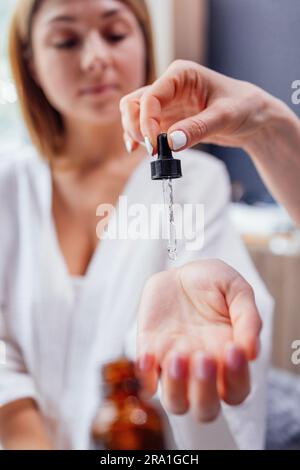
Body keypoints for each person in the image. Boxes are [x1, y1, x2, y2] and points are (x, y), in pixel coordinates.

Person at [0, 0, 272, 450]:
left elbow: (206, 348)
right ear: (31, 63)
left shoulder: (194, 181)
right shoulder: (9, 186)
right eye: (66, 40)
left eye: (115, 34)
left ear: (145, 41)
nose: (96, 59)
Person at [120, 59, 300, 226]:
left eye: (115, 36)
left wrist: (265, 128)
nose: (94, 60)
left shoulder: (201, 179)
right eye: (88, 39)